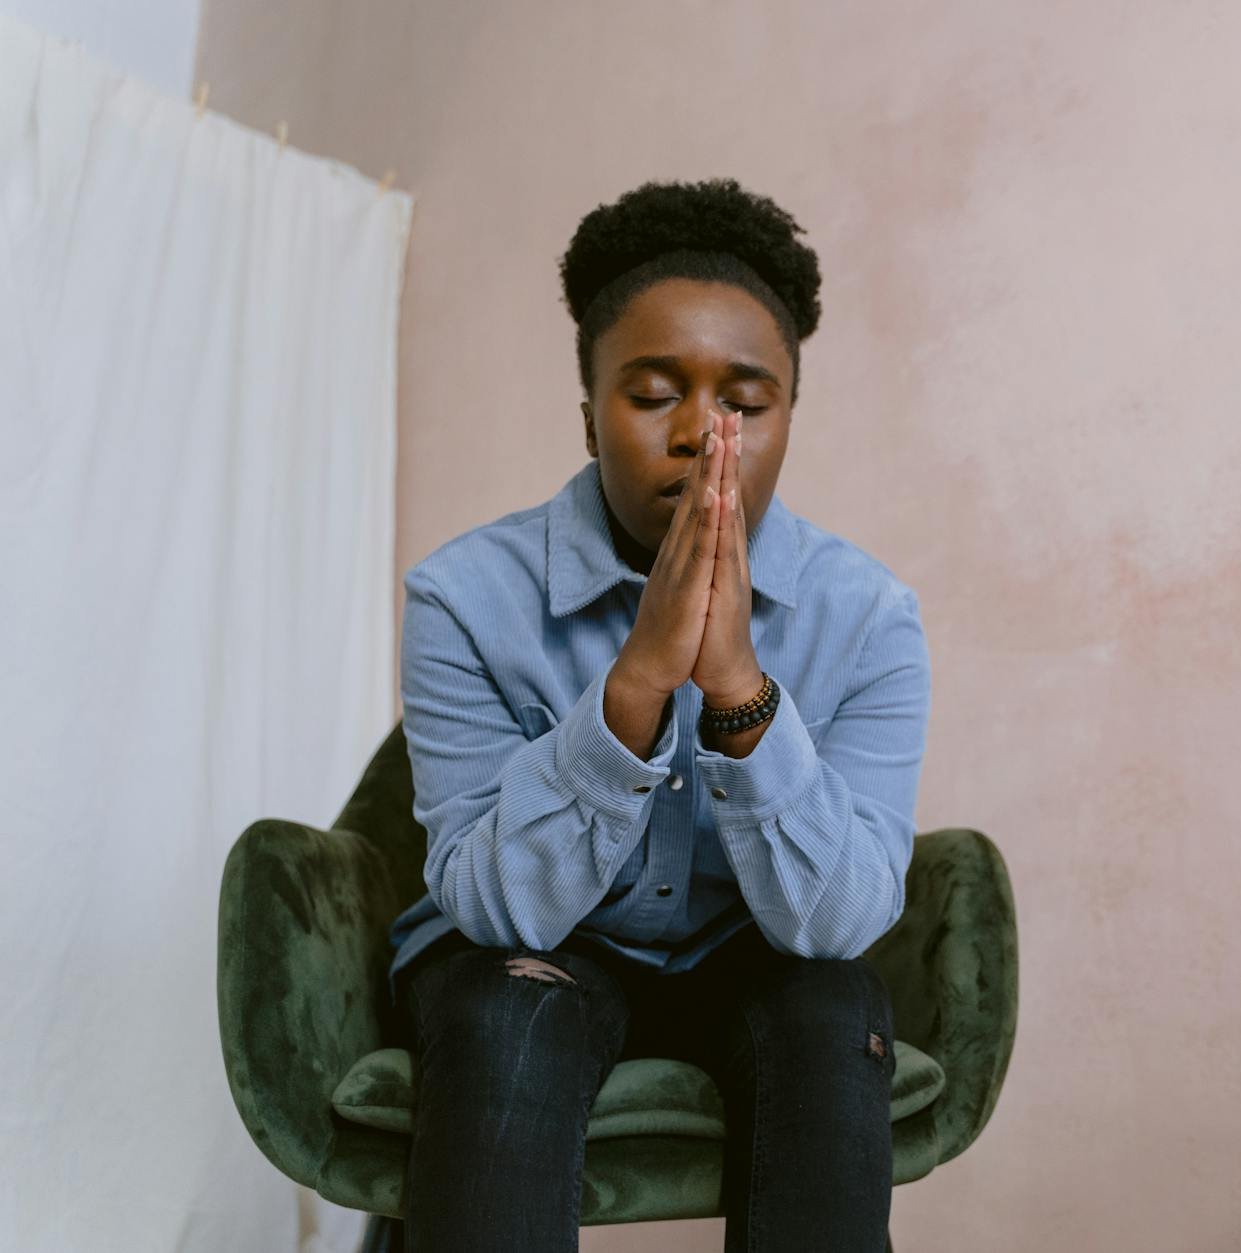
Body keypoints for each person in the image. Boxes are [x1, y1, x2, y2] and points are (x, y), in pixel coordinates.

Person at [382, 177, 932, 1252]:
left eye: (744, 401)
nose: (699, 434)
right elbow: (493, 904)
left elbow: (839, 921)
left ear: (784, 421)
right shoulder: (460, 597)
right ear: (587, 416)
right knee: (506, 1004)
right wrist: (634, 687)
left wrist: (736, 690)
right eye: (650, 393)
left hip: (754, 951)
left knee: (832, 1011)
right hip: (541, 945)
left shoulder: (868, 618)